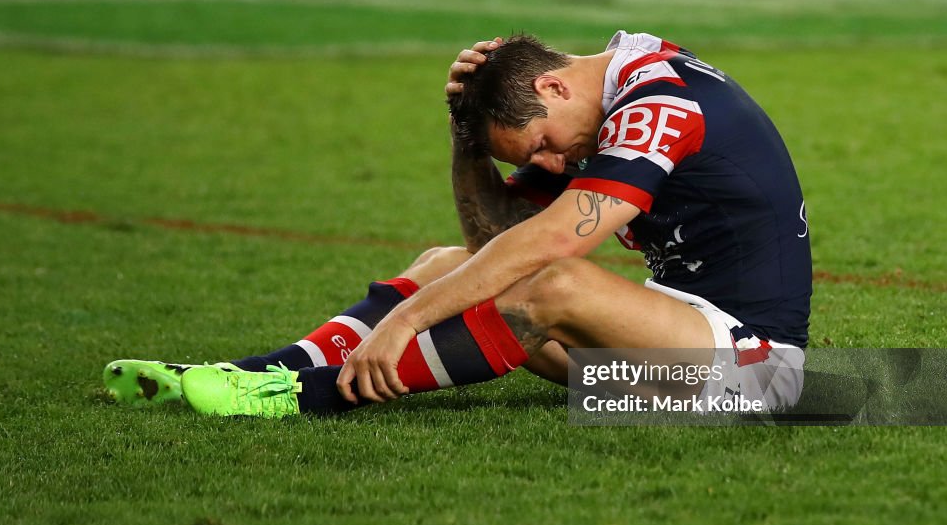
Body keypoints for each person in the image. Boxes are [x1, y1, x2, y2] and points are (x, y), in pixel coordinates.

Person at [103, 31, 812, 418]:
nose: (551, 159)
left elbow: (554, 242)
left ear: (554, 85)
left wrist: (404, 322)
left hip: (758, 374)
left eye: (537, 146)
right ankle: (255, 376)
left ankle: (303, 396)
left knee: (556, 282)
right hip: (662, 358)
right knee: (448, 261)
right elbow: (493, 243)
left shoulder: (659, 102)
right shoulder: (596, 113)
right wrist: (466, 138)